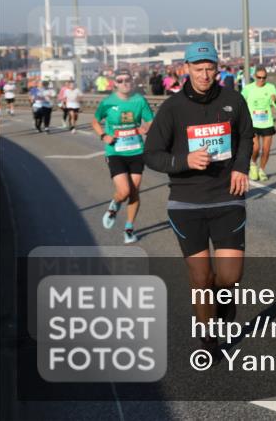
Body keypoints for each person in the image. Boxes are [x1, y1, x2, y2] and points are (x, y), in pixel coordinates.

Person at [143, 41, 253, 357]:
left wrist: (240, 168)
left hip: (226, 197)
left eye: (210, 69)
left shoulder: (233, 100)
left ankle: (223, 300)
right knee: (201, 276)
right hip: (186, 202)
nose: (204, 75)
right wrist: (184, 162)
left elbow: (246, 135)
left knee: (231, 276)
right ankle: (208, 339)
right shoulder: (173, 108)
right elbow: (151, 154)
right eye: (198, 69)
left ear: (217, 68)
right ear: (186, 69)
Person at [92, 71, 154, 244]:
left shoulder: (139, 100)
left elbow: (150, 120)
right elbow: (95, 121)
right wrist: (103, 136)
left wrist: (146, 127)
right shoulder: (108, 102)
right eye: (120, 80)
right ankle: (114, 205)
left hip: (136, 151)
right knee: (124, 191)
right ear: (115, 84)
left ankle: (129, 228)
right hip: (115, 152)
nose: (125, 83)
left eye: (128, 80)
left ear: (132, 82)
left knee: (134, 192)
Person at [242, 67, 276, 182]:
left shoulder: (271, 88)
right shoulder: (248, 88)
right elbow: (240, 103)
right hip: (253, 123)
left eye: (264, 78)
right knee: (256, 149)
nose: (261, 80)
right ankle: (253, 164)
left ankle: (262, 170)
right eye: (259, 77)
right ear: (255, 77)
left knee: (266, 150)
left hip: (267, 122)